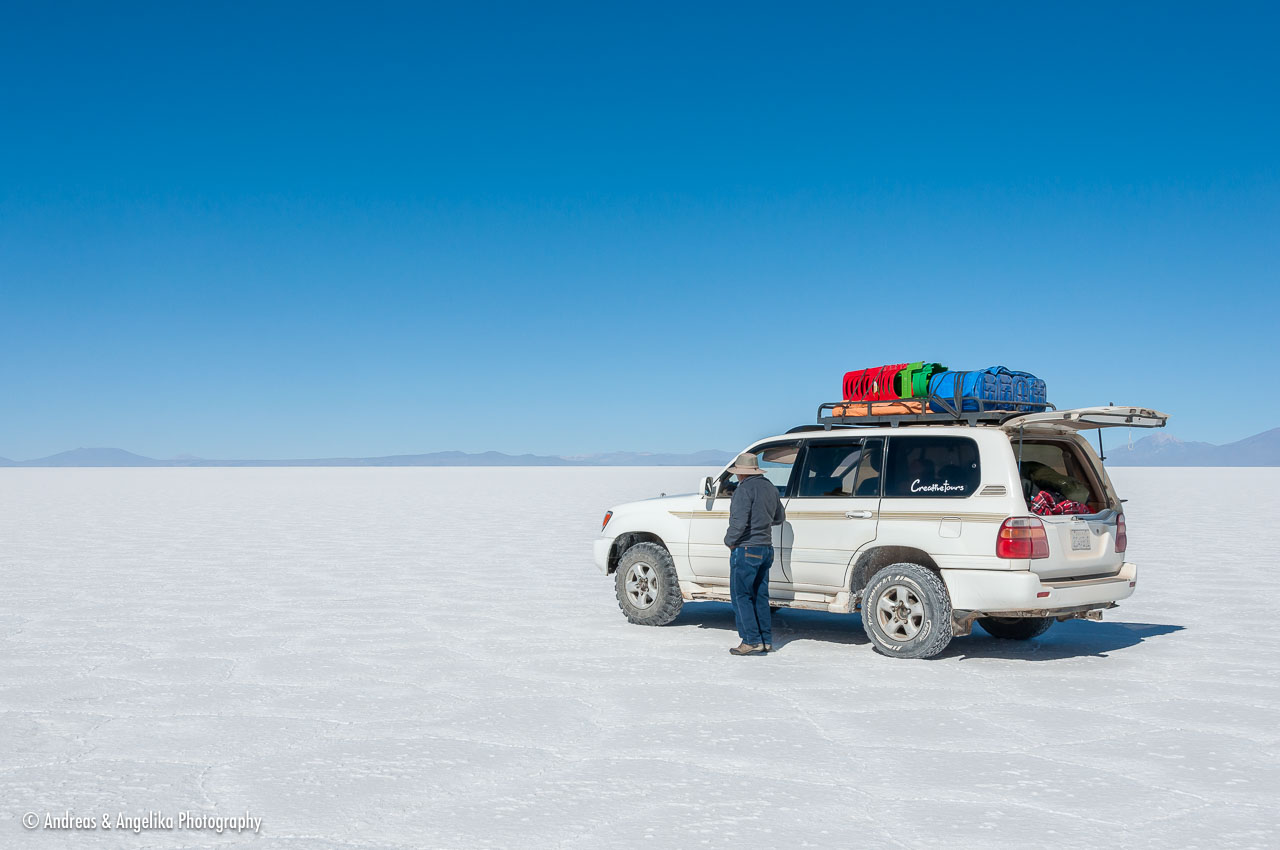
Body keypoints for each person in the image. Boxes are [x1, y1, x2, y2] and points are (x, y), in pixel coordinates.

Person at [723, 452, 786, 656]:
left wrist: (730, 542)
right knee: (760, 595)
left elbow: (738, 523)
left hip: (746, 548)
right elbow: (779, 517)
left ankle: (750, 640)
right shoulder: (770, 487)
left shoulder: (743, 490)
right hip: (766, 548)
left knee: (741, 596)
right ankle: (765, 640)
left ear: (741, 473)